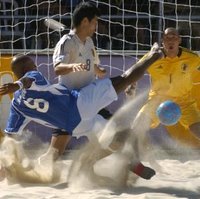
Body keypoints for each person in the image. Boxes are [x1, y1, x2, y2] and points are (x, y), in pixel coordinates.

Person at [0, 47, 161, 179]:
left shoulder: (16, 106)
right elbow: (28, 80)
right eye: (32, 65)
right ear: (29, 68)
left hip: (70, 126)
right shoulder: (34, 74)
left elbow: (10, 137)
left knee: (109, 137)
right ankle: (155, 54)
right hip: (79, 105)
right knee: (125, 80)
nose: (36, 66)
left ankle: (92, 165)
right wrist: (18, 84)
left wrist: (5, 164)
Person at [125, 27, 200, 153]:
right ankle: (131, 160)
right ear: (162, 41)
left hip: (184, 102)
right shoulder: (153, 57)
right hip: (157, 101)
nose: (171, 41)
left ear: (179, 40)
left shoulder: (192, 58)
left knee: (197, 129)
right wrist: (131, 84)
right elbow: (136, 70)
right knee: (136, 127)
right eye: (167, 38)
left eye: (174, 37)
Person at [52, 2, 109, 149]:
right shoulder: (67, 42)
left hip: (90, 98)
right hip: (70, 102)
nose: (96, 26)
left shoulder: (89, 41)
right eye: (95, 22)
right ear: (85, 21)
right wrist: (73, 66)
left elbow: (90, 65)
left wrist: (99, 71)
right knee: (55, 152)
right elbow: (57, 68)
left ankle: (126, 165)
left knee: (109, 131)